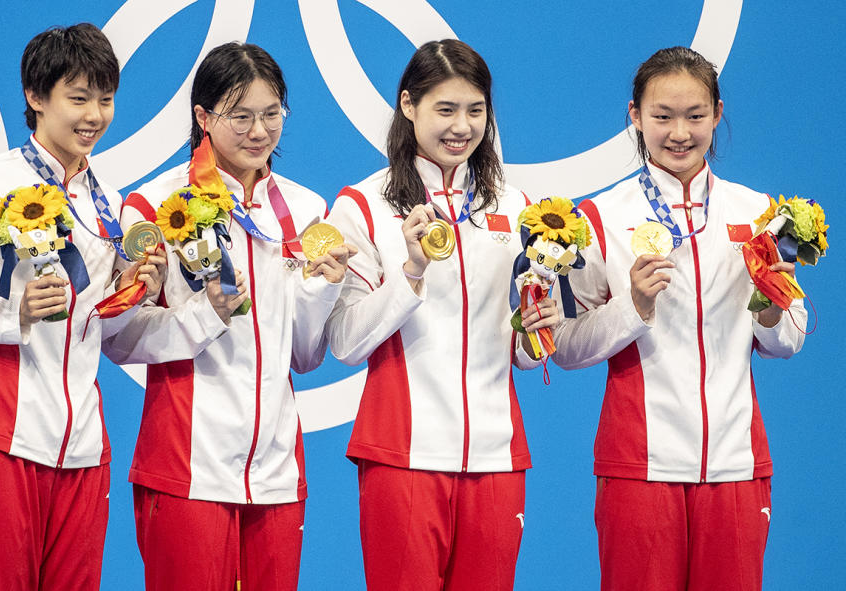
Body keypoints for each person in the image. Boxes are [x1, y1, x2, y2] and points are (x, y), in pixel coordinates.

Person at [0, 23, 168, 590]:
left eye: (105, 98)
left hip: (83, 454)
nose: (94, 114)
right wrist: (10, 315)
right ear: (35, 97)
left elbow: (101, 328)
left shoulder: (111, 208)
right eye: (78, 98)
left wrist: (135, 288)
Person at [549, 46, 807, 591]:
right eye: (662, 116)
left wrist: (768, 303)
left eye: (695, 115)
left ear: (717, 113)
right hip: (639, 467)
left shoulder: (757, 212)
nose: (679, 132)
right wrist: (632, 308)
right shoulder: (599, 217)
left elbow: (789, 341)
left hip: (735, 466)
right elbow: (565, 347)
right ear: (635, 116)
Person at [102, 42, 355, 591]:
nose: (259, 132)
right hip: (185, 465)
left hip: (277, 471)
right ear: (204, 117)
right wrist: (203, 316)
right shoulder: (154, 207)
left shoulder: (307, 212)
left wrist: (321, 291)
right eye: (241, 116)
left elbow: (305, 356)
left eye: (272, 114)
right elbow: (118, 340)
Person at [324, 39, 559, 590]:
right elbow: (344, 341)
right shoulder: (363, 205)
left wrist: (534, 333)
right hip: (402, 454)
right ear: (408, 106)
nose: (461, 127)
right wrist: (409, 273)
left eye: (475, 111)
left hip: (496, 457)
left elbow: (520, 348)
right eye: (445, 109)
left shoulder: (518, 208)